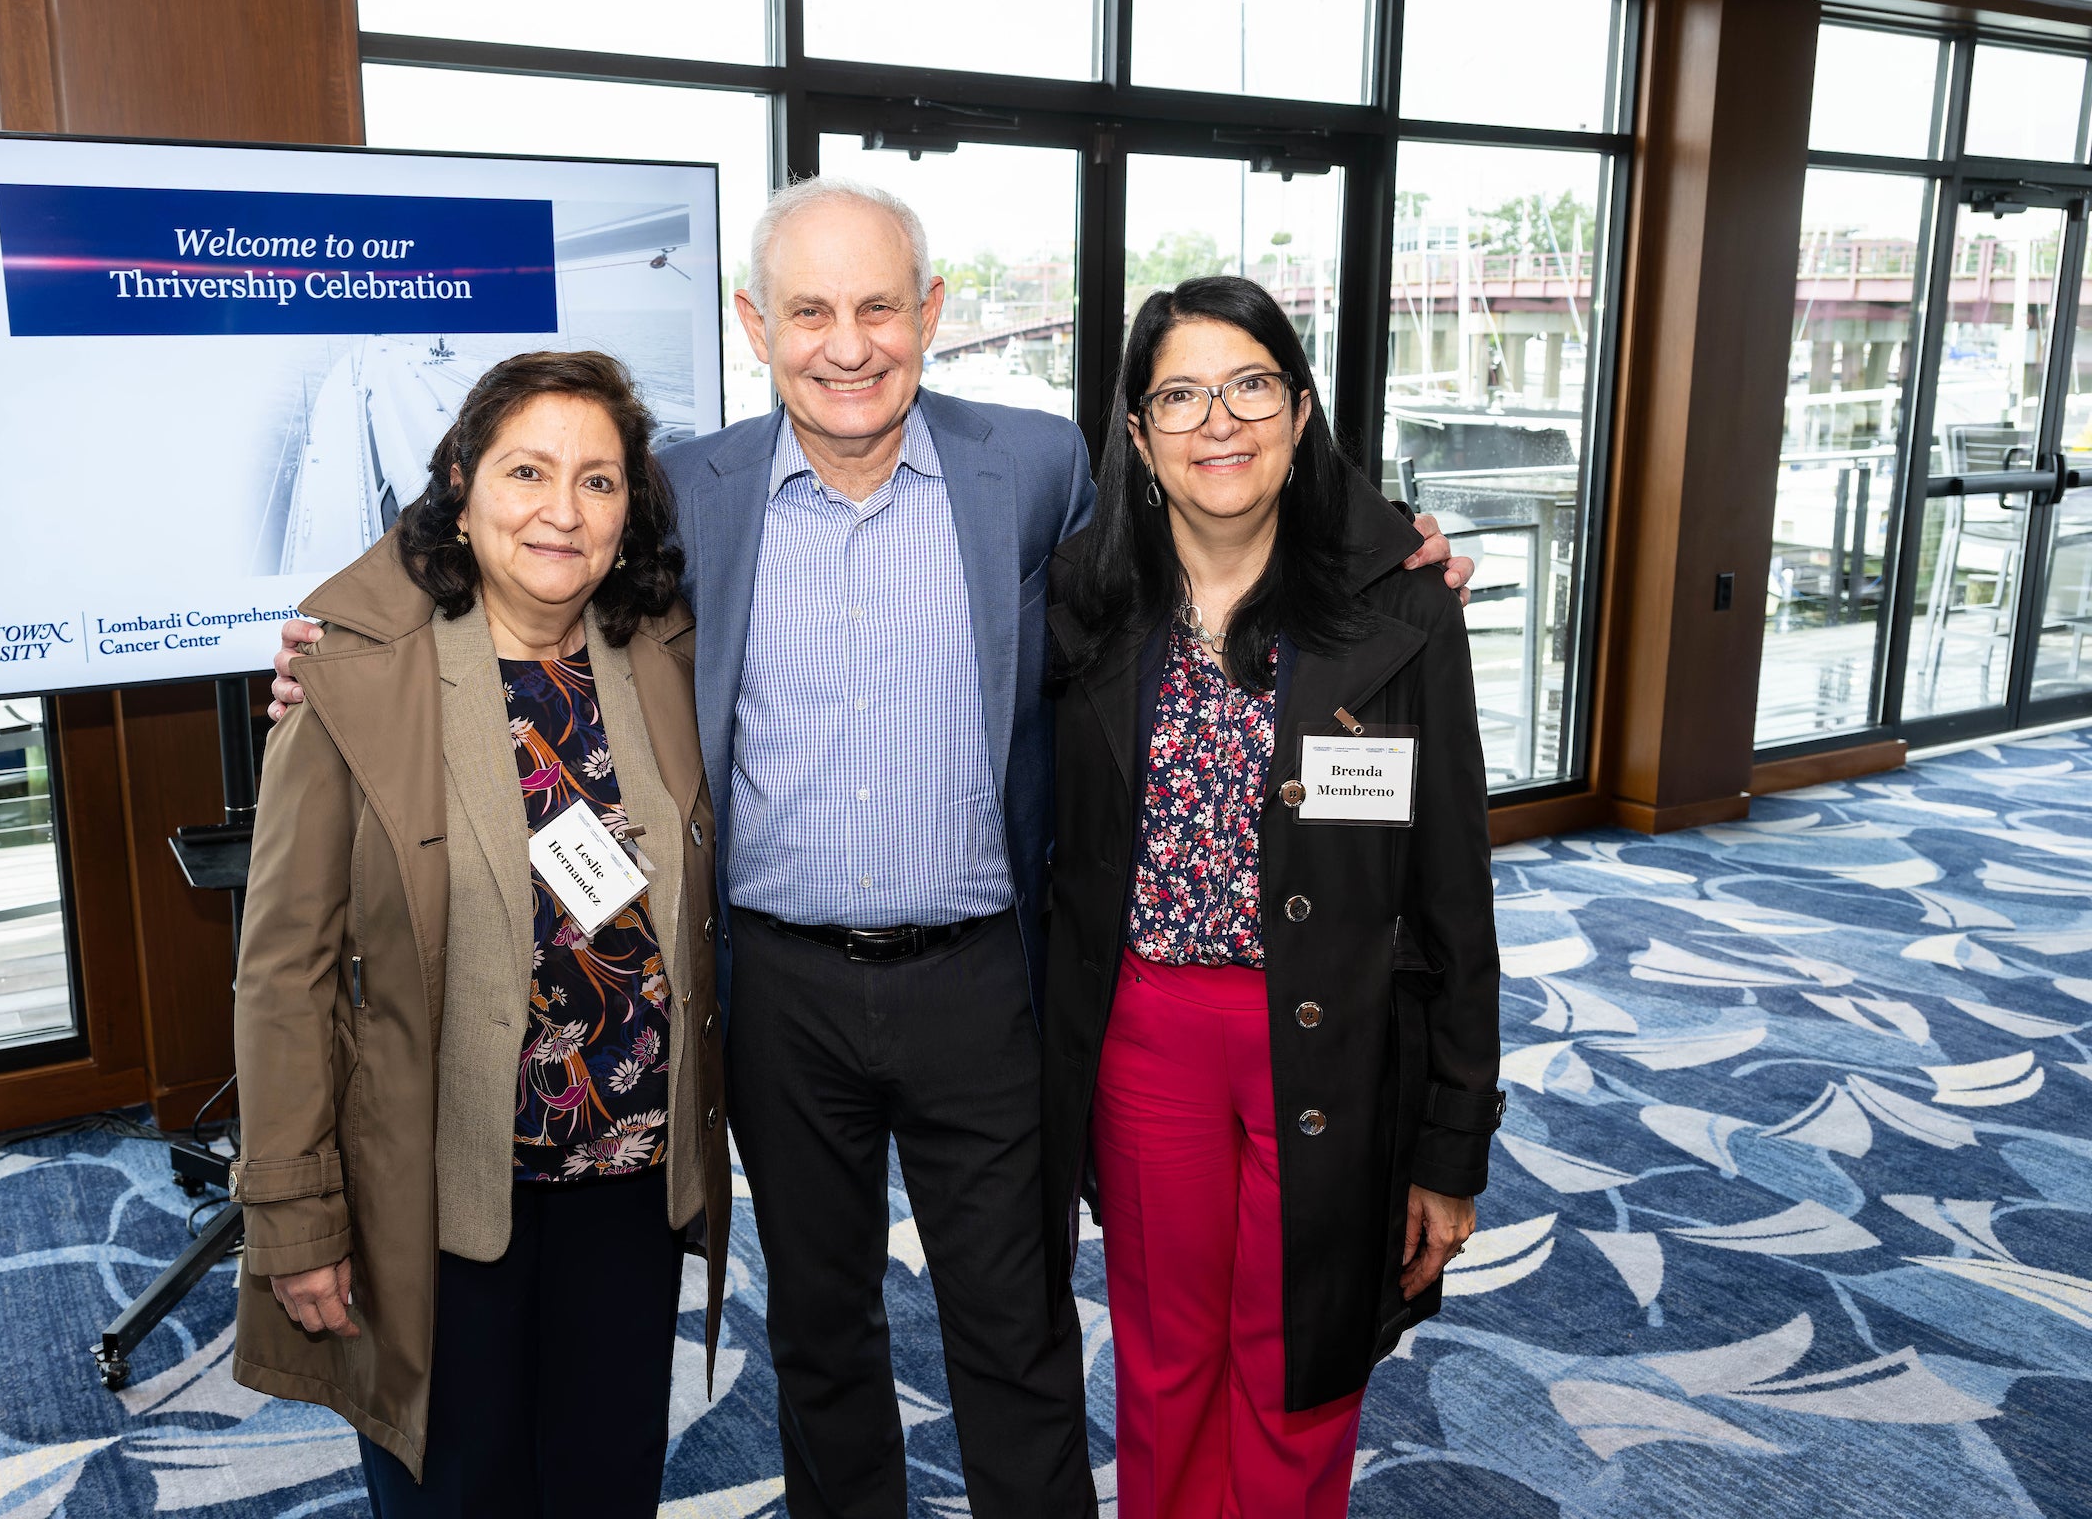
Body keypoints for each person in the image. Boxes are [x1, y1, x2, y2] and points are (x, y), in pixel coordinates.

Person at [270, 179, 1476, 1517]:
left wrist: (1390, 554)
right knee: (820, 1336)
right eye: (809, 311)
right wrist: (337, 643)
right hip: (777, 991)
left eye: (878, 307)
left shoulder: (1032, 470)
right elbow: (510, 526)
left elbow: (1205, 526)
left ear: (931, 314)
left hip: (979, 982)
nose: (848, 344)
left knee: (1013, 1331)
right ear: (754, 322)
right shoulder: (687, 491)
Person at [228, 350, 732, 1519]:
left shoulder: (662, 649)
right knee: (460, 1490)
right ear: (461, 483)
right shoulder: (356, 678)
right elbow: (283, 972)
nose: (563, 511)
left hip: (629, 1175)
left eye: (598, 481)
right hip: (443, 1185)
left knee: (608, 1485)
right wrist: (296, 1211)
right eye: (528, 471)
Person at [1039, 276, 1503, 1519]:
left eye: (1249, 384)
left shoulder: (1402, 611)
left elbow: (1458, 893)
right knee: (1168, 1361)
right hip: (1149, 1037)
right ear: (1135, 437)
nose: (1218, 421)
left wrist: (1454, 1141)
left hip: (1342, 1037)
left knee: (1301, 1365)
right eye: (1179, 394)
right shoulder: (1083, 609)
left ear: (1300, 413)